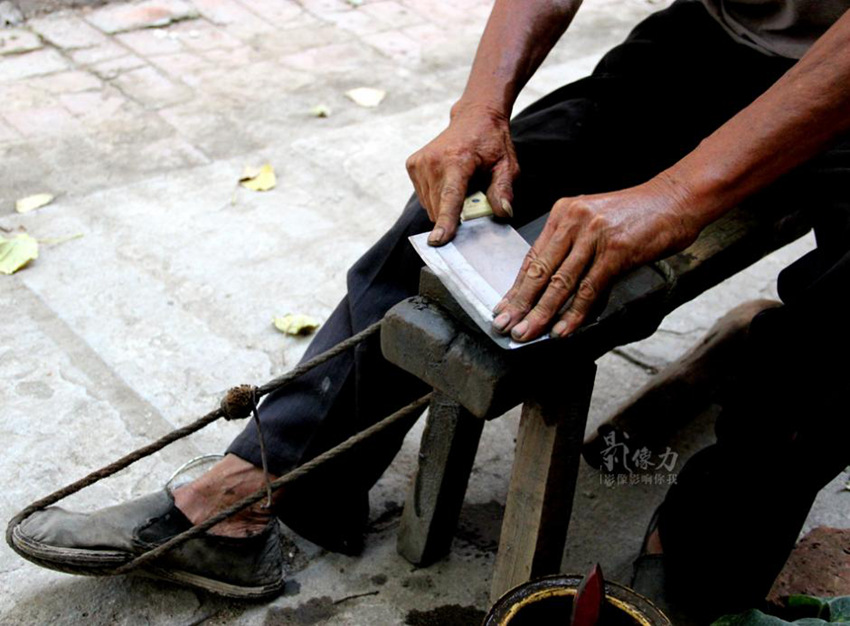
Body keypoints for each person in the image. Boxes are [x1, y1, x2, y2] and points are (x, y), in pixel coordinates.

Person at [11, 0, 850, 620]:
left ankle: (693, 576)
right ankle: (267, 486)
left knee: (833, 341)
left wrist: (677, 195)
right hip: (721, 45)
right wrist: (477, 108)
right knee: (462, 214)